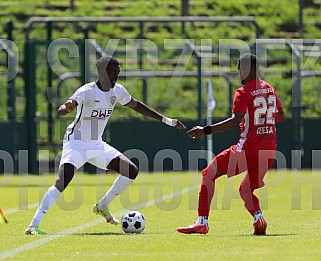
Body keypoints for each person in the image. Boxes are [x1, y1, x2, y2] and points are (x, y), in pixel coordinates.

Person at [25, 56, 186, 235]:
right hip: (76, 143)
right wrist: (66, 108)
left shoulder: (117, 91)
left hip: (96, 144)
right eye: (113, 72)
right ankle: (33, 226)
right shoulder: (87, 91)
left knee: (131, 170)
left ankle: (103, 205)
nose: (116, 76)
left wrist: (167, 120)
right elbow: (67, 105)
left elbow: (138, 106)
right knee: (62, 181)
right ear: (102, 72)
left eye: (118, 73)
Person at [177, 53, 284, 235]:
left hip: (247, 149)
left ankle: (202, 222)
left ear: (244, 70)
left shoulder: (243, 92)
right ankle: (259, 219)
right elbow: (280, 117)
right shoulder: (270, 89)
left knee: (208, 173)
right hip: (269, 150)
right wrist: (262, 121)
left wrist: (205, 130)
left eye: (239, 70)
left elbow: (235, 121)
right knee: (246, 189)